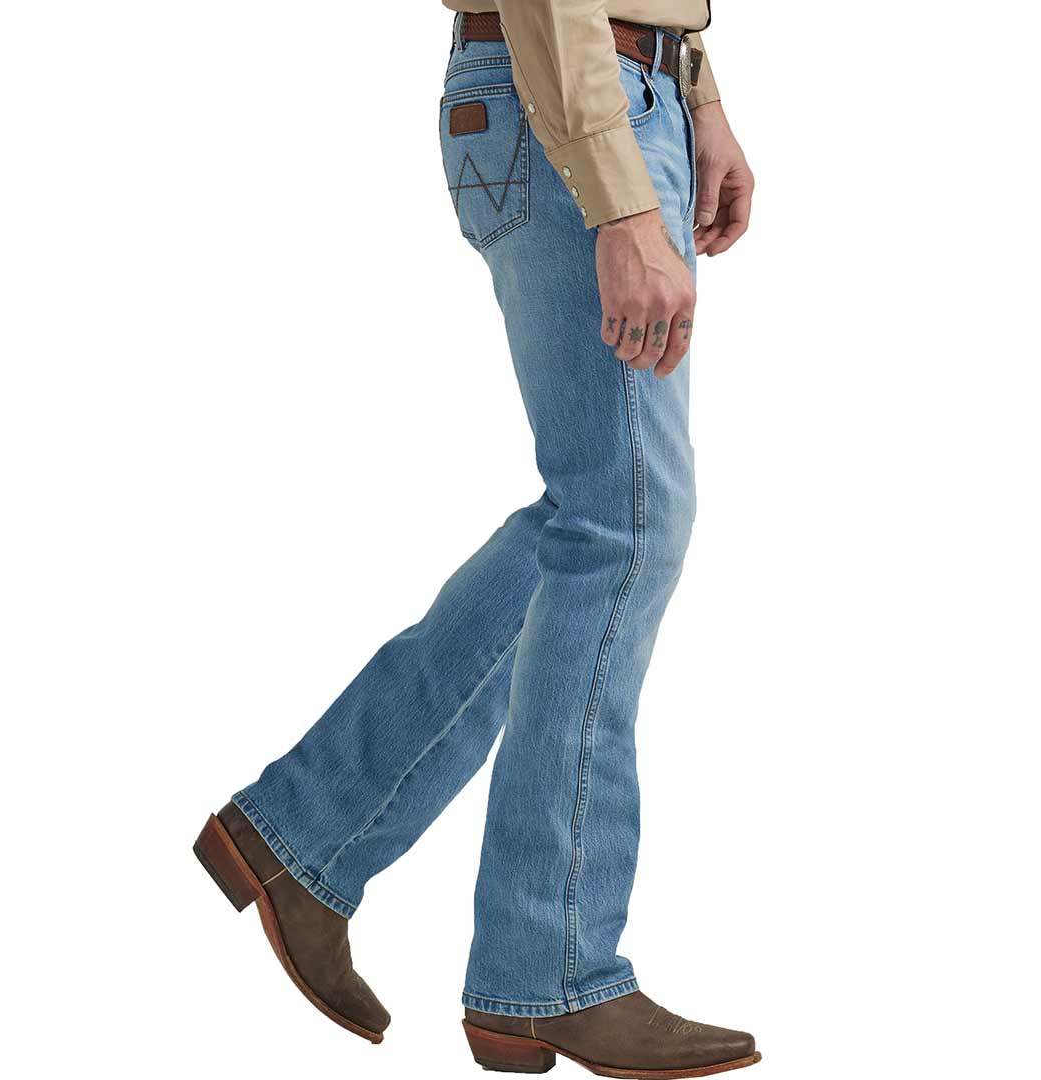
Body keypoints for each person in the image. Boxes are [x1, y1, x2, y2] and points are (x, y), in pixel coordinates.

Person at [193, 2, 758, 1076]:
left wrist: (700, 92)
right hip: (572, 96)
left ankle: (301, 834)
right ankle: (547, 970)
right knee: (622, 523)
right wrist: (620, 196)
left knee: (597, 519)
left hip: (616, 91)